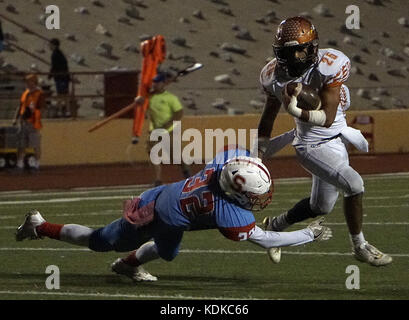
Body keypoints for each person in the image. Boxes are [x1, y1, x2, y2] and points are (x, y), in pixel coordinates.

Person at [15, 148, 332, 282]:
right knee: (101, 240)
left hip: (163, 197)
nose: (256, 199)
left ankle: (127, 264)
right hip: (158, 216)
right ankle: (40, 225)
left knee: (168, 251)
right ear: (236, 192)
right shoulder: (226, 211)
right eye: (251, 194)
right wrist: (309, 234)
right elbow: (265, 240)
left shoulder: (222, 164)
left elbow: (253, 151)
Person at [256, 16, 392, 266]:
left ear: (311, 48)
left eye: (297, 50)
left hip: (336, 138)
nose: (292, 58)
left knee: (320, 207)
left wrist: (298, 110)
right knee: (354, 184)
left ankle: (274, 226)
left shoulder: (330, 64)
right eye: (286, 52)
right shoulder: (272, 76)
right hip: (311, 145)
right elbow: (267, 118)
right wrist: (260, 151)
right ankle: (359, 246)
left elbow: (327, 118)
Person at [136, 71, 191, 186]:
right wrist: (138, 100)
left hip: (168, 131)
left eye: (157, 82)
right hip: (154, 131)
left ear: (163, 83)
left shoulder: (170, 98)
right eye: (154, 83)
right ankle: (158, 179)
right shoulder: (150, 97)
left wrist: (167, 125)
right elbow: (141, 102)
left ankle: (187, 173)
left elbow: (179, 113)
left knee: (174, 157)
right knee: (151, 152)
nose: (154, 85)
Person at [12, 74, 45, 171]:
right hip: (23, 122)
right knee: (21, 144)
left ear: (34, 82)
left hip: (33, 123)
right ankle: (20, 164)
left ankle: (36, 164)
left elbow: (42, 108)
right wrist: (15, 118)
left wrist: (35, 116)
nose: (27, 83)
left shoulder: (39, 94)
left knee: (35, 144)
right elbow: (20, 106)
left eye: (29, 81)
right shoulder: (25, 93)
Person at [48, 38, 71, 118]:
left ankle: (60, 111)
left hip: (60, 77)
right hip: (64, 77)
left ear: (53, 45)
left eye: (50, 45)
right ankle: (65, 111)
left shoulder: (55, 54)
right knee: (64, 95)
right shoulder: (60, 53)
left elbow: (54, 66)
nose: (49, 46)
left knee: (61, 95)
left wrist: (50, 75)